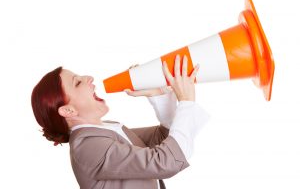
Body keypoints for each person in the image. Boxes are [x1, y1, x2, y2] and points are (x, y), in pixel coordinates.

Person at [31, 55, 210, 189]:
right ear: (68, 111)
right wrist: (186, 102)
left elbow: (164, 138)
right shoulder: (87, 146)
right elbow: (166, 161)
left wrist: (158, 94)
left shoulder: (105, 129)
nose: (89, 78)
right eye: (77, 83)